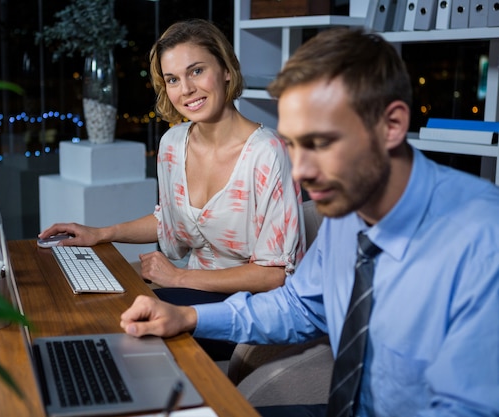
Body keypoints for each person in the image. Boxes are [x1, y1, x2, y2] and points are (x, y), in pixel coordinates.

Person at [119, 27, 499, 417]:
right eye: (296, 145)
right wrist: (189, 317)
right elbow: (300, 307)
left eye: (321, 143)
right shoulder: (349, 210)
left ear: (392, 125)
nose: (301, 171)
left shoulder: (482, 242)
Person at [39, 19, 305, 360]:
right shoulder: (172, 143)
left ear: (226, 70)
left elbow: (273, 276)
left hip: (245, 309)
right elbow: (168, 219)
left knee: (122, 331)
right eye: (173, 79)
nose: (187, 89)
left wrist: (180, 277)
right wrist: (102, 233)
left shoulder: (268, 154)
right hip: (190, 290)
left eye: (196, 71)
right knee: (93, 312)